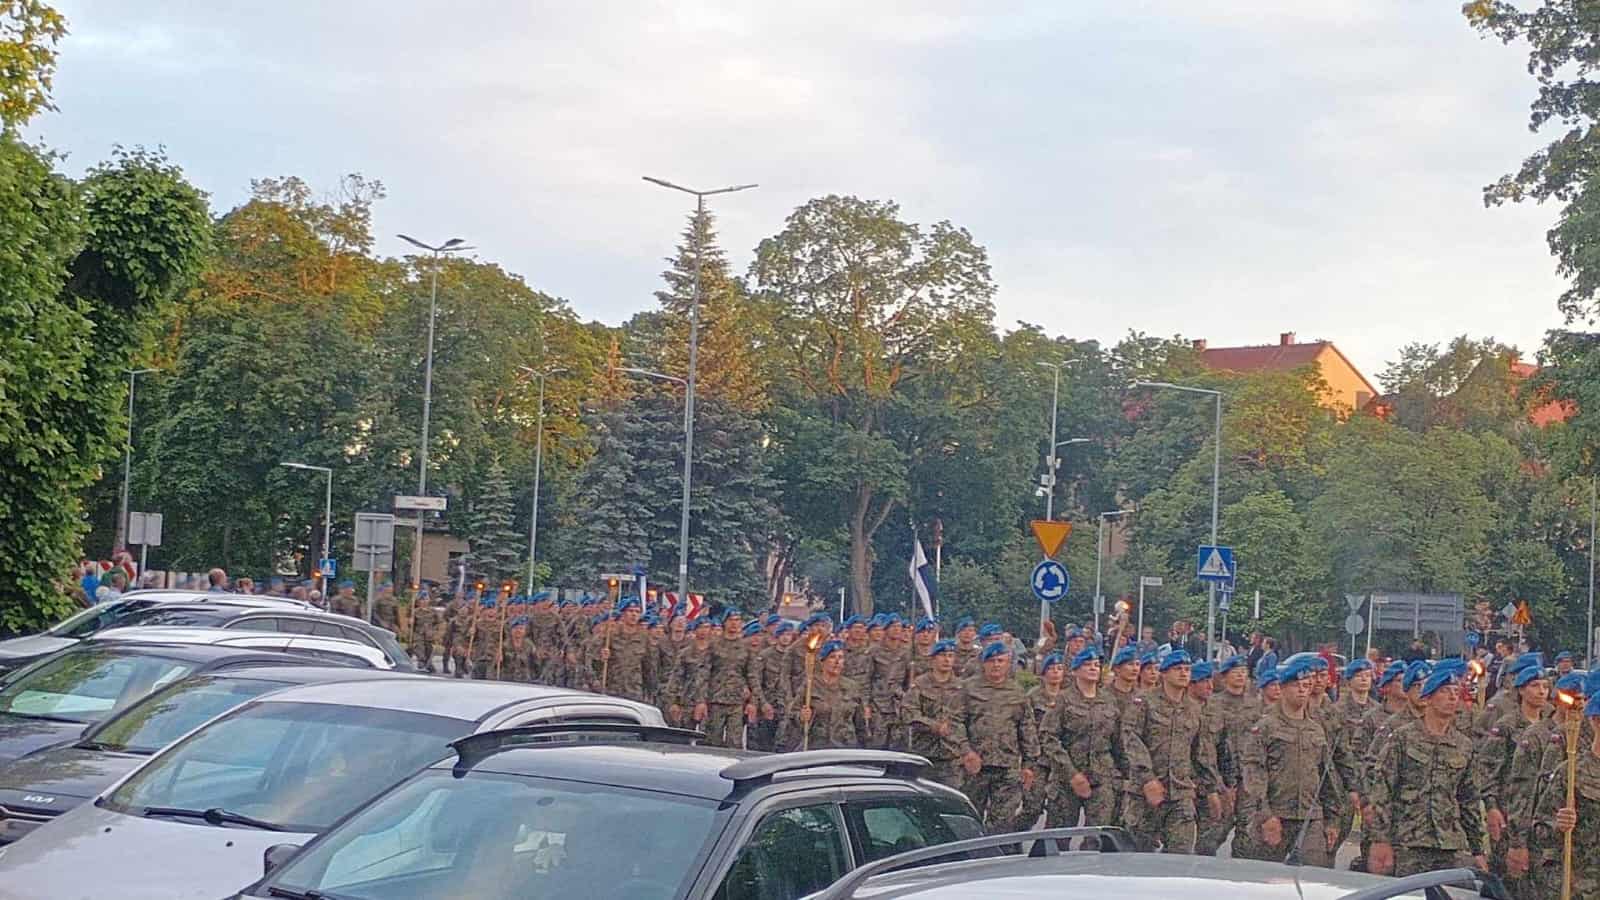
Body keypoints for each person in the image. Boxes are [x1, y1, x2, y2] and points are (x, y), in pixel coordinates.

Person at [1367, 661, 1487, 878]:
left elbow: (1469, 800)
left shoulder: (1463, 745)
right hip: (1408, 841)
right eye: (1445, 691)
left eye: (1455, 692)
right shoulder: (1403, 737)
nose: (1452, 697)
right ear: (1428, 698)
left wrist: (1477, 849)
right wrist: (1380, 840)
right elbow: (1383, 790)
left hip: (1449, 843)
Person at [1237, 658, 1343, 867]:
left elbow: (1326, 775)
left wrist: (1333, 819)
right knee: (1265, 875)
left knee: (1312, 875)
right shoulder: (1265, 727)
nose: (1302, 690)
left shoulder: (1316, 729)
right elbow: (1253, 773)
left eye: (1306, 685)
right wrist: (1265, 815)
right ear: (1282, 688)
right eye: (1296, 685)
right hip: (1276, 815)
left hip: (1310, 816)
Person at [1120, 650, 1221, 854]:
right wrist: (1147, 778)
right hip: (1145, 793)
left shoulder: (1194, 709)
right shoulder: (1144, 702)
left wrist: (1211, 790)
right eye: (1178, 669)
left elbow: (1201, 754)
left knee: (1181, 854)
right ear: (1164, 673)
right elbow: (1131, 740)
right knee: (1139, 855)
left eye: (1187, 669)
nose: (1183, 673)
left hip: (1181, 793)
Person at [958, 642, 1040, 832]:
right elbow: (954, 722)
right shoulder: (968, 689)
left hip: (1007, 767)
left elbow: (1027, 729)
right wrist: (966, 751)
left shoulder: (1017, 693)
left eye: (1000, 661)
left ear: (1008, 663)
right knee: (969, 821)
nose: (996, 665)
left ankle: (997, 850)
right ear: (983, 663)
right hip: (975, 767)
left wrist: (1029, 765)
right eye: (991, 661)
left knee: (1002, 823)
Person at [1526, 688, 1600, 898]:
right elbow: (1540, 828)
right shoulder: (1572, 772)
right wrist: (1559, 824)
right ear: (1596, 722)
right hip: (1581, 883)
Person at [1039, 646, 1121, 829]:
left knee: (1097, 835)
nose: (1093, 668)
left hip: (1102, 777)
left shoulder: (1109, 700)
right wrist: (1071, 773)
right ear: (1075, 670)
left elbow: (1117, 742)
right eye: (1087, 665)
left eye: (1096, 665)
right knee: (1059, 836)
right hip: (1066, 778)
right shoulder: (1063, 700)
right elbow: (1048, 738)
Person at [902, 639, 971, 789]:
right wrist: (933, 726)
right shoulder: (920, 684)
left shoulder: (962, 687)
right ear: (933, 659)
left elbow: (969, 719)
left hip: (952, 756)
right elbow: (909, 713)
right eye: (942, 655)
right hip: (925, 754)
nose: (947, 660)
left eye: (950, 656)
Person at [793, 640, 865, 750]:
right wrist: (801, 717)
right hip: (817, 745)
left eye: (840, 658)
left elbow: (860, 722)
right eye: (832, 657)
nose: (837, 662)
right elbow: (792, 713)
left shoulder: (852, 687)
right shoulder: (810, 686)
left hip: (845, 745)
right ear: (823, 661)